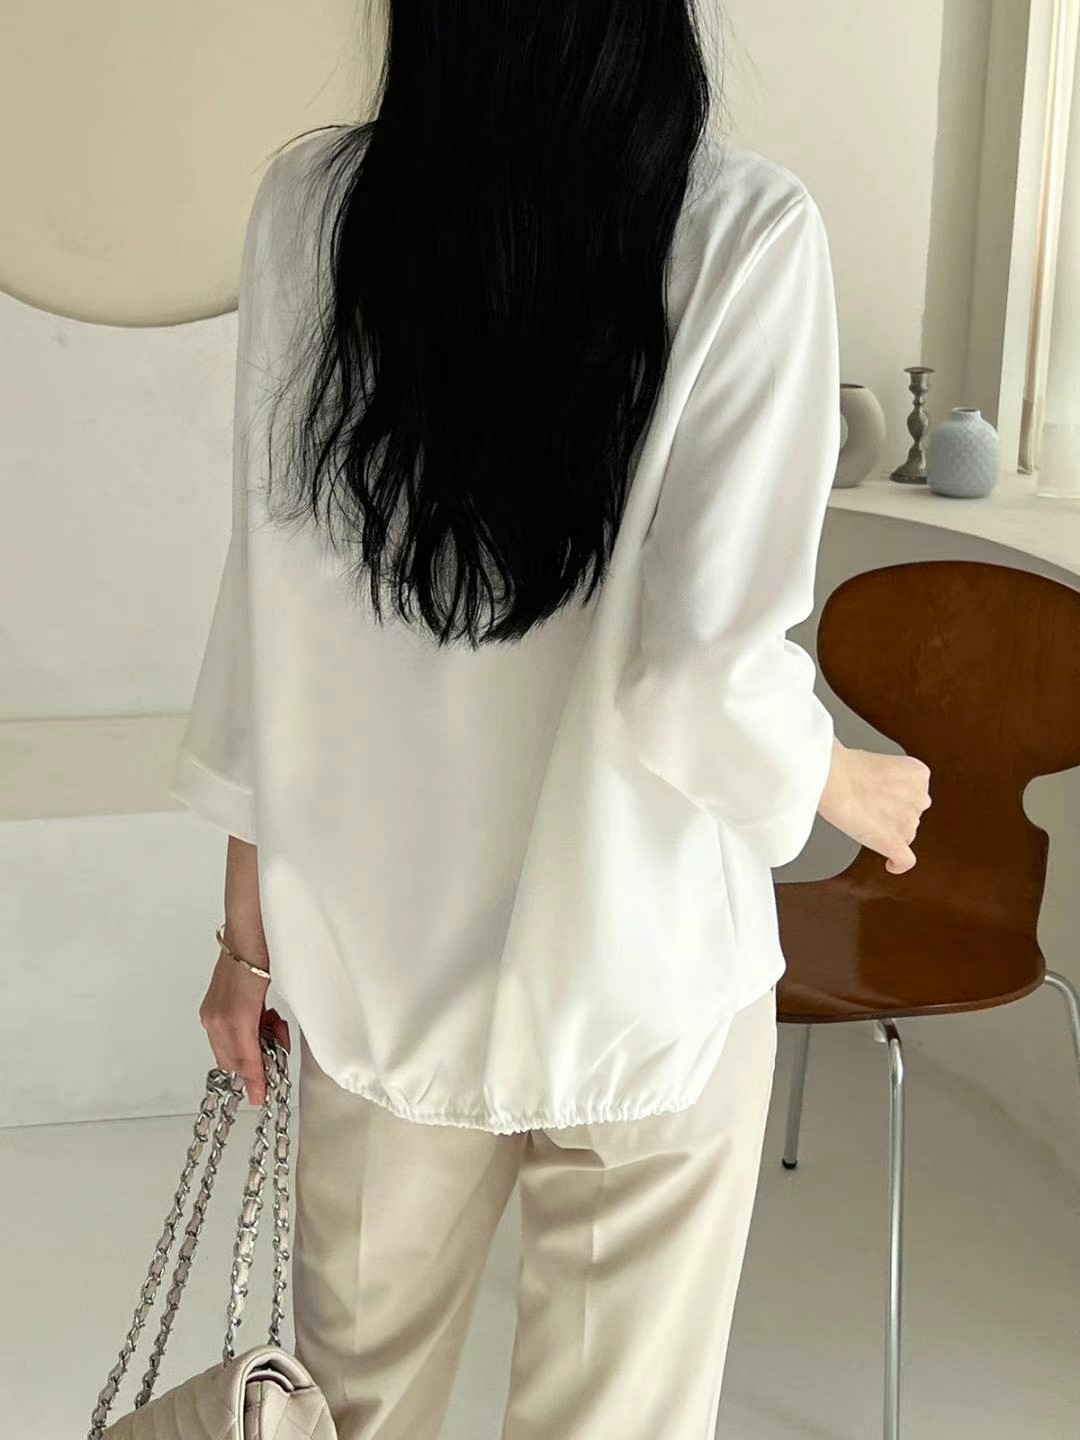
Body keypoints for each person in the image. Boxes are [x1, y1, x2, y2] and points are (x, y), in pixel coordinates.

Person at [169, 3, 931, 1436]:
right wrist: (842, 779)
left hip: (378, 971)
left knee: (353, 1414)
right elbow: (701, 674)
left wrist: (245, 930)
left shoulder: (310, 211)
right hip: (648, 975)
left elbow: (266, 599)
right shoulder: (743, 231)